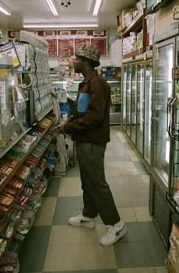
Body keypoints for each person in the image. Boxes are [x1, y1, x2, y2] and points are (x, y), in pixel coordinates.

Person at [58, 43, 127, 246]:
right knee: (87, 181)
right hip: (84, 140)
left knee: (97, 183)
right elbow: (82, 112)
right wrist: (69, 121)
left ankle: (117, 225)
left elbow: (94, 117)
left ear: (86, 62)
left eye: (77, 58)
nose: (74, 61)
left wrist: (68, 128)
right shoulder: (86, 83)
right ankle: (88, 216)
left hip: (92, 142)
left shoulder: (97, 84)